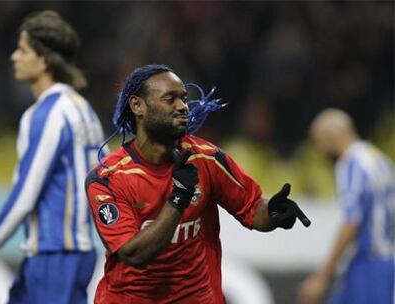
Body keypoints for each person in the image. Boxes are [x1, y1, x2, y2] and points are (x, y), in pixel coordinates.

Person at [85, 64, 311, 303]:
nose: (182, 106)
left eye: (183, 98)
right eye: (169, 99)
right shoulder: (107, 179)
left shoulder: (206, 158)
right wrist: (178, 199)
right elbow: (134, 254)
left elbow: (253, 209)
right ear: (137, 105)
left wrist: (274, 214)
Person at [0, 11, 106, 303]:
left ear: (45, 59)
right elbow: (106, 178)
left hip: (53, 256)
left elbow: (25, 195)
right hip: (77, 253)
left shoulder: (47, 114)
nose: (14, 57)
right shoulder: (84, 110)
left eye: (23, 50)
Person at [299, 108, 395, 304]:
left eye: (319, 141)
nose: (320, 149)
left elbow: (352, 220)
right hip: (385, 259)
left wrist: (323, 275)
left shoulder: (351, 164)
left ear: (330, 137)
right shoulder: (380, 160)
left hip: (369, 262)